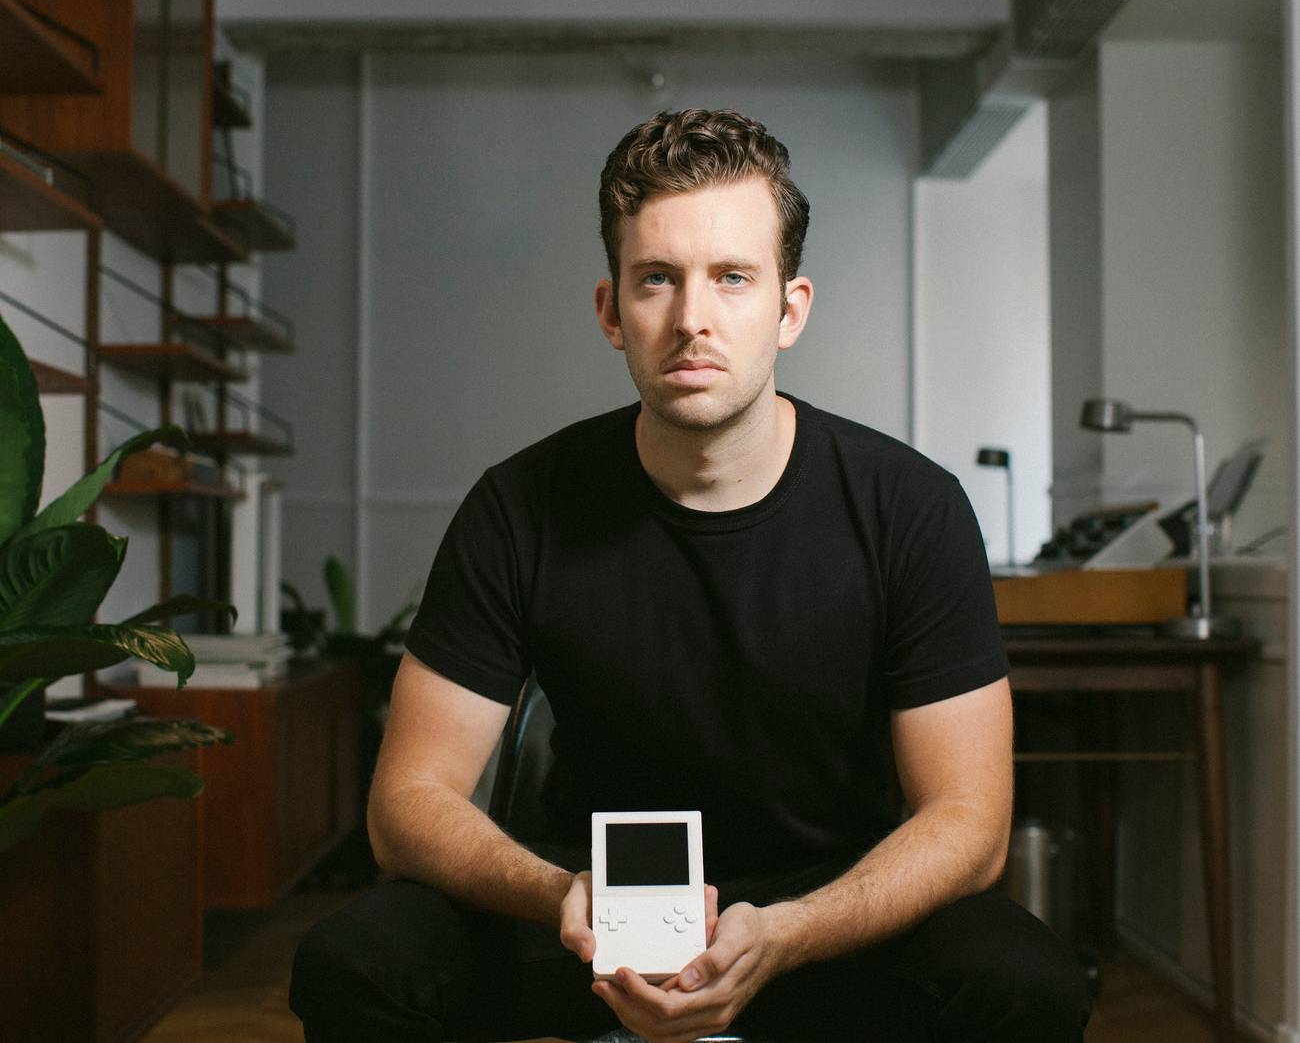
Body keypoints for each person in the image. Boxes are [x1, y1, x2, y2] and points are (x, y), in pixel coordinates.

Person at [290, 108, 1091, 1043]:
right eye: (657, 279)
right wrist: (563, 894)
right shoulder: (521, 506)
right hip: (590, 911)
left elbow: (971, 821)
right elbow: (406, 803)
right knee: (353, 964)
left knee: (1026, 985)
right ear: (610, 309)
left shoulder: (909, 508)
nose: (692, 319)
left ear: (790, 309)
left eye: (734, 278)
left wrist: (792, 934)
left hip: (826, 912)